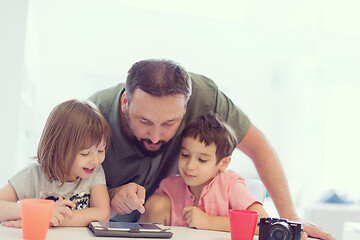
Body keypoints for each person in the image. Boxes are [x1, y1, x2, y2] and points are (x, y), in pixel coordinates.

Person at [88, 58, 334, 239]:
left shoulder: (206, 97)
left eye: (169, 124)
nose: (155, 136)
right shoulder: (90, 116)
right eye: (144, 122)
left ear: (185, 109)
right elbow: (62, 193)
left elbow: (258, 147)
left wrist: (290, 216)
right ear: (124, 103)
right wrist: (110, 196)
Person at [140, 112, 268, 232]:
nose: (190, 166)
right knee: (156, 203)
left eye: (202, 160)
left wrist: (210, 222)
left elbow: (262, 224)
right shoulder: (169, 187)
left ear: (223, 163)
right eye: (185, 155)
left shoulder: (230, 184)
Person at [0, 100, 111, 227]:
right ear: (56, 150)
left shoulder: (94, 172)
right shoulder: (34, 175)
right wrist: (35, 212)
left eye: (101, 150)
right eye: (85, 153)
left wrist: (51, 219)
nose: (95, 160)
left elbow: (103, 214)